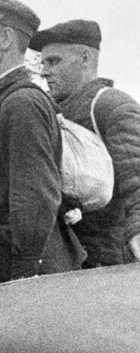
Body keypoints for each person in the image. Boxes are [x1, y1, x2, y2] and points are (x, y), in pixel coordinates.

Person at [0, 0, 85, 279]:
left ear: (6, 39)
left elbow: (35, 201)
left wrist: (23, 275)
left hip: (23, 272)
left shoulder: (21, 103)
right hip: (3, 263)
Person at [31, 19, 140, 265]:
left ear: (85, 58)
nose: (44, 71)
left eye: (54, 61)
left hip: (108, 259)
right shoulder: (53, 111)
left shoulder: (110, 105)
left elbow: (137, 175)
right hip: (69, 254)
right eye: (43, 62)